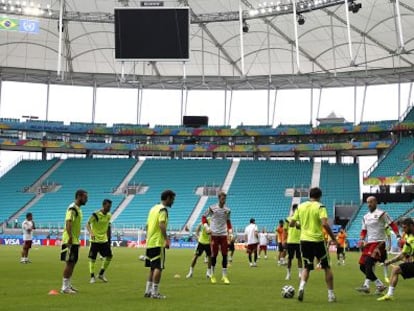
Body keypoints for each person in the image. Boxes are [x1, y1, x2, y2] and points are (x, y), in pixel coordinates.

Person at [290, 187, 338, 303]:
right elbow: (325, 224)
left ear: (309, 195)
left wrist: (301, 225)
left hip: (304, 241)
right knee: (327, 267)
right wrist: (333, 238)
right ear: (320, 196)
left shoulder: (300, 206)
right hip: (318, 241)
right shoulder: (320, 207)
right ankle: (331, 295)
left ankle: (301, 287)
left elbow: (292, 223)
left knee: (307, 267)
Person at [355, 196, 401, 295]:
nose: (369, 204)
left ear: (375, 202)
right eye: (367, 202)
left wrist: (398, 236)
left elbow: (392, 224)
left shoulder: (382, 214)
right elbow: (364, 230)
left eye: (371, 202)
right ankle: (378, 285)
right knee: (362, 267)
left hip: (379, 243)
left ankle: (369, 285)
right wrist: (362, 239)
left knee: (368, 263)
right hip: (369, 243)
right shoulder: (365, 216)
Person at [143, 190, 176, 299]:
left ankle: (148, 291)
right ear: (168, 198)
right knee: (158, 267)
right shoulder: (162, 210)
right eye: (172, 199)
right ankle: (155, 293)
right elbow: (162, 225)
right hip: (158, 242)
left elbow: (147, 226)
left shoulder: (153, 208)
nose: (173, 202)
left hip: (150, 242)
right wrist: (166, 239)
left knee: (152, 268)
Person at [377, 217, 414, 301]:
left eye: (405, 227)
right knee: (396, 269)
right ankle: (389, 295)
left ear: (411, 226)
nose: (403, 230)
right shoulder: (409, 239)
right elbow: (402, 255)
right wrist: (389, 262)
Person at [60, 189, 88, 294]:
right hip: (70, 240)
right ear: (79, 196)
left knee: (73, 263)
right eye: (85, 197)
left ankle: (68, 285)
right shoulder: (72, 208)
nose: (87, 199)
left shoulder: (78, 209)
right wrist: (70, 238)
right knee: (70, 263)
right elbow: (68, 223)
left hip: (75, 240)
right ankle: (64, 287)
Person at [202, 191, 233, 284]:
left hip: (223, 234)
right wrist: (207, 227)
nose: (224, 200)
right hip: (214, 234)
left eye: (225, 199)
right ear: (219, 198)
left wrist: (230, 233)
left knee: (225, 255)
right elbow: (203, 217)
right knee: (214, 255)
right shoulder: (212, 208)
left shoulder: (227, 210)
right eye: (222, 198)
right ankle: (212, 275)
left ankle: (224, 276)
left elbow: (228, 222)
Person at [86, 199, 113, 283]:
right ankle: (92, 276)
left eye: (110, 207)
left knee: (109, 256)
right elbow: (87, 224)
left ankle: (101, 274)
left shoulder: (109, 215)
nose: (109, 208)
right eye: (108, 206)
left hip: (104, 240)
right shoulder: (95, 214)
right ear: (104, 205)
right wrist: (91, 233)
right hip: (95, 240)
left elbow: (108, 226)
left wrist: (109, 238)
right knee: (92, 259)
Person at [283, 204, 303, 280]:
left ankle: (300, 274)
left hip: (299, 241)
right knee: (289, 258)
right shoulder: (288, 219)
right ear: (293, 210)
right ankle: (288, 274)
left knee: (299, 258)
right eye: (296, 209)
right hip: (290, 241)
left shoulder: (301, 219)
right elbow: (285, 230)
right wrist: (284, 240)